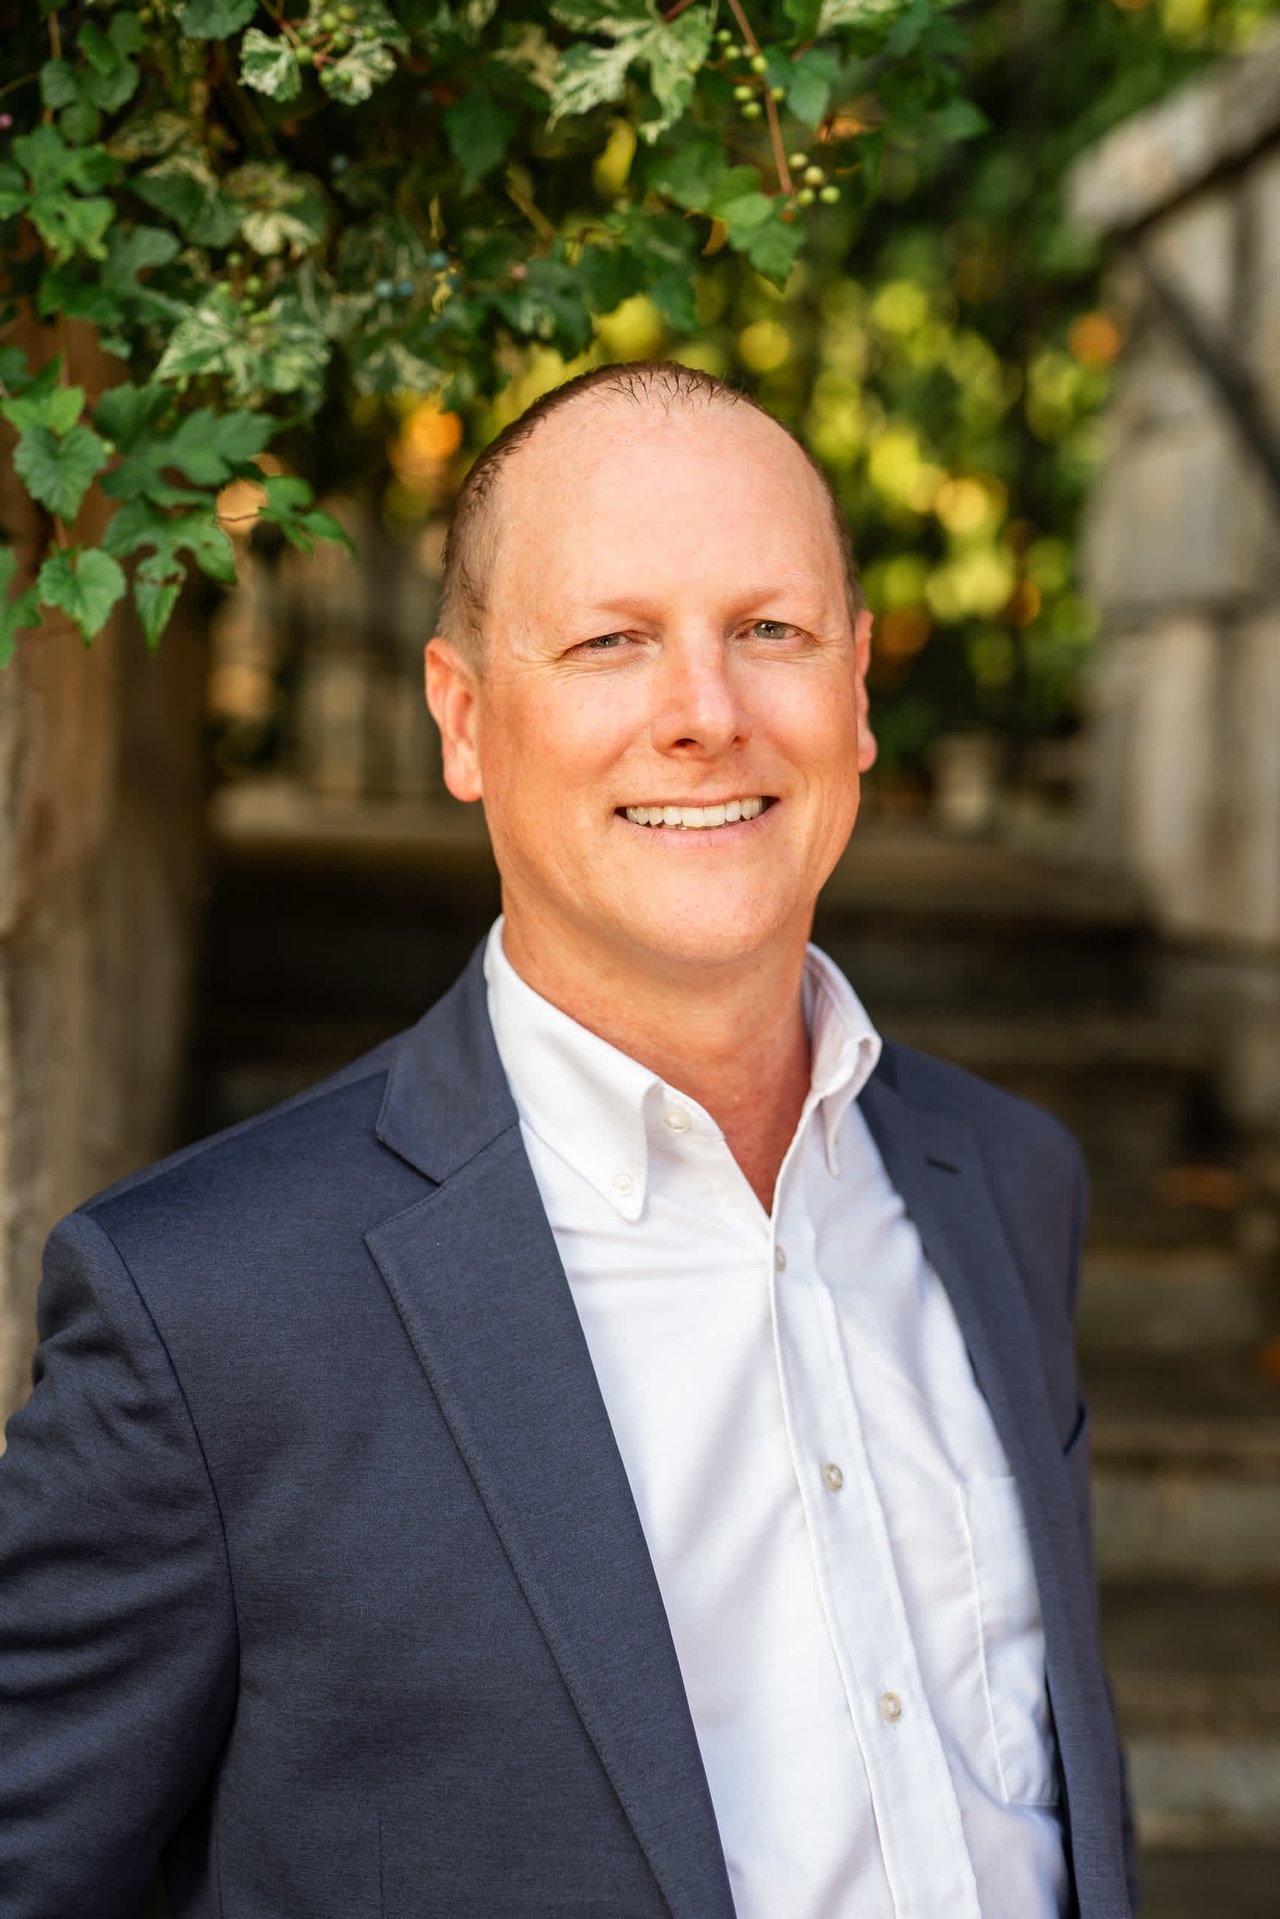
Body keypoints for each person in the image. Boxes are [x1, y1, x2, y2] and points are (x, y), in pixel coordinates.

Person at [0, 361, 1134, 1919]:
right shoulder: (202, 1311)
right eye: (611, 642)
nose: (706, 715)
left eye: (771, 632)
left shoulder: (1008, 1180)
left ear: (859, 690)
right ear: (465, 721)